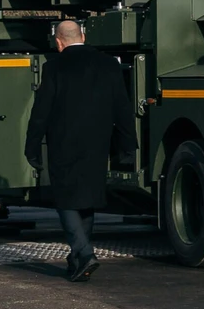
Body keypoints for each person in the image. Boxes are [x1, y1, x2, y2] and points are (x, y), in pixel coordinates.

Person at [26, 18, 134, 282]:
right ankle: (77, 261)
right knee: (87, 196)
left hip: (64, 141)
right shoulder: (109, 64)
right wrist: (127, 145)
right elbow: (122, 107)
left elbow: (41, 112)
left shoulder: (54, 67)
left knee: (65, 198)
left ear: (59, 42)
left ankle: (84, 252)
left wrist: (32, 147)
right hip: (98, 141)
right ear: (83, 36)